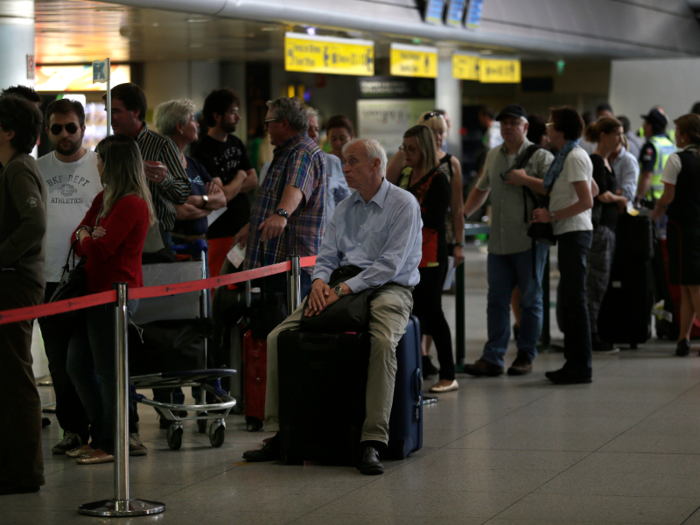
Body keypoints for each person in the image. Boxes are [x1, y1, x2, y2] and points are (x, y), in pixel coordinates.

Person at [242, 138, 422, 475]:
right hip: (341, 284)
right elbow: (325, 256)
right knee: (279, 335)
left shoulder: (404, 204)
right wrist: (321, 283)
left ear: (376, 165)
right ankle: (281, 432)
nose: (346, 168)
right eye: (344, 161)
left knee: (382, 343)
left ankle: (372, 441)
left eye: (353, 161)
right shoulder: (344, 207)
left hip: (390, 288)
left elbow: (390, 265)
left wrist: (340, 288)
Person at [65, 135, 155, 464]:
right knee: (77, 365)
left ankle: (111, 441)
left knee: (108, 372)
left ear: (113, 164)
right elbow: (78, 237)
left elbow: (100, 250)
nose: (97, 164)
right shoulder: (104, 198)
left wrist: (88, 237)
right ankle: (102, 432)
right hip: (92, 294)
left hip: (116, 295)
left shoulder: (131, 203)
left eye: (100, 159)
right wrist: (87, 235)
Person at [462, 104, 553, 377]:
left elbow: (556, 189)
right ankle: (493, 357)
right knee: (497, 300)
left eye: (514, 123)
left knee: (531, 300)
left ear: (526, 127)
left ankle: (525, 354)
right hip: (499, 243)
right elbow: (481, 189)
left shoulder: (541, 157)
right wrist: (463, 214)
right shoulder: (493, 156)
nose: (508, 127)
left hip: (529, 241)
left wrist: (526, 180)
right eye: (504, 124)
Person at [36, 98, 101, 455]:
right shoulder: (37, 168)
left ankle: (114, 428)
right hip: (49, 277)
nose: (64, 134)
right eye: (57, 128)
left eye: (70, 127)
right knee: (59, 362)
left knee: (91, 362)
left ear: (83, 128)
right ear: (47, 131)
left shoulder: (98, 166)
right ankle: (74, 429)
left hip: (90, 276)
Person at [388, 112, 464, 378]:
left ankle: (448, 374)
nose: (406, 154)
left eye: (412, 149)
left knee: (434, 313)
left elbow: (436, 216)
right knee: (415, 311)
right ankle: (415, 367)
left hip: (431, 254)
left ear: (425, 149)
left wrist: (459, 243)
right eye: (404, 148)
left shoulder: (438, 178)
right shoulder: (407, 174)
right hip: (409, 253)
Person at [233, 96, 326, 299]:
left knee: (282, 324)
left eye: (268, 123)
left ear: (284, 123)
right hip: (277, 259)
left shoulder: (302, 151)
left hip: (291, 262)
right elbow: (273, 198)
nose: (265, 129)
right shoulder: (287, 151)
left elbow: (296, 187)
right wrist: (253, 225)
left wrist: (282, 214)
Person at [0, 94, 46, 495]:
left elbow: (35, 223)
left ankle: (24, 472)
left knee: (16, 374)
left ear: (9, 131)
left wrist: (2, 257)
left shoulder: (17, 169)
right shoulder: (12, 167)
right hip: (12, 278)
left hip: (15, 281)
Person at [531, 106, 595, 384]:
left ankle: (580, 366)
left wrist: (552, 214)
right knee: (570, 300)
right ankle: (575, 363)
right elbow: (591, 188)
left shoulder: (574, 157)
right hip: (569, 232)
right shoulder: (569, 156)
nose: (546, 128)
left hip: (574, 232)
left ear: (561, 129)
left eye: (550, 124)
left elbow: (587, 200)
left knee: (575, 301)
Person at [104, 83, 190, 239]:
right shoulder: (107, 148)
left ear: (136, 112)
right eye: (108, 112)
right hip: (115, 233)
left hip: (154, 236)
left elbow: (183, 193)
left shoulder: (161, 145)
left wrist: (165, 179)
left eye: (115, 112)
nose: (110, 118)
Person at [191, 88, 258, 277]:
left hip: (243, 225)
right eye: (233, 112)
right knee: (219, 281)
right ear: (217, 116)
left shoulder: (235, 143)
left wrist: (231, 187)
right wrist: (240, 177)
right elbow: (223, 195)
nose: (238, 118)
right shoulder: (203, 149)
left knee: (241, 283)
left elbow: (254, 180)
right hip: (220, 229)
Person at [650, 114, 700, 357]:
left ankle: (686, 338)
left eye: (677, 131)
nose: (675, 135)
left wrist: (657, 207)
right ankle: (683, 338)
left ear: (685, 135)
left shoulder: (677, 160)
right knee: (689, 285)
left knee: (692, 284)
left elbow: (668, 197)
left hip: (684, 227)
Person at [155, 99, 226, 242]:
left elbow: (222, 199)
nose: (198, 124)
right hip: (176, 247)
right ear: (180, 127)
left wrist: (195, 200)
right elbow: (180, 212)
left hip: (200, 246)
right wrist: (208, 207)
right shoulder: (160, 166)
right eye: (193, 120)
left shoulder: (193, 163)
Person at [585, 117, 628, 353]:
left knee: (598, 283)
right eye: (617, 134)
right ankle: (591, 334)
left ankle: (593, 331)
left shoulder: (605, 162)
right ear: (603, 136)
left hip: (606, 229)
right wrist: (620, 198)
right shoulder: (597, 162)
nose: (621, 139)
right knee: (595, 283)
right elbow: (601, 195)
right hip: (599, 230)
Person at [306, 108, 351, 221]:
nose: (338, 143)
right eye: (333, 139)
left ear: (351, 136)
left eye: (342, 138)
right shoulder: (328, 161)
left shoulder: (331, 162)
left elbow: (345, 200)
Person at [637, 108, 675, 203]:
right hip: (666, 197)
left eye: (645, 124)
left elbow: (647, 175)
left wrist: (639, 198)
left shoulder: (651, 146)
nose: (643, 126)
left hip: (651, 198)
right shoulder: (670, 145)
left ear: (650, 126)